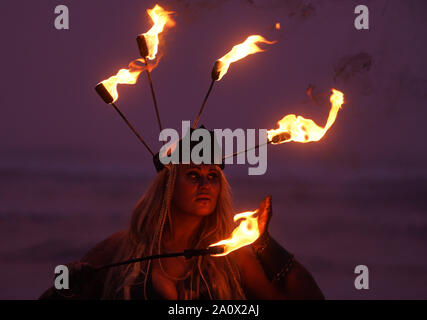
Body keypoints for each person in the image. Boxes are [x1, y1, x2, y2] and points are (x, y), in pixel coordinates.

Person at [39, 161, 324, 300]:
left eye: (213, 176)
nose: (205, 184)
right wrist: (68, 285)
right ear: (168, 186)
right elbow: (55, 294)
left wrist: (264, 242)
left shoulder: (230, 256)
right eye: (193, 175)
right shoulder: (124, 247)